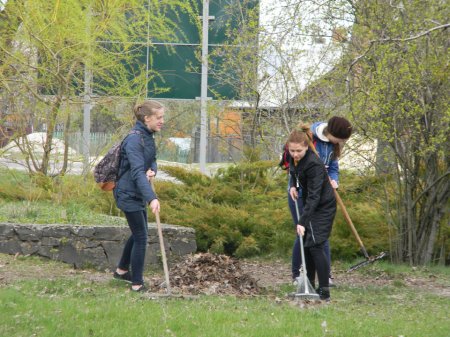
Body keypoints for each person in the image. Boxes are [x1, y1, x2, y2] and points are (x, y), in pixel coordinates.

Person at [281, 116, 353, 285]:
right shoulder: (308, 138)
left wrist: (334, 180)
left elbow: (333, 167)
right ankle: (298, 275)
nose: (342, 143)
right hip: (300, 194)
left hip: (322, 196)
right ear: (332, 133)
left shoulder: (333, 145)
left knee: (321, 235)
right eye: (341, 139)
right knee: (303, 232)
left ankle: (324, 275)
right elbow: (292, 163)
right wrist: (293, 184)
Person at [112, 100, 165, 292]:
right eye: (158, 118)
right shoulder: (134, 139)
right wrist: (152, 198)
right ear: (147, 118)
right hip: (127, 193)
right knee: (141, 237)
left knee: (138, 233)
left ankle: (121, 271)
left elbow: (152, 161)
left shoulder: (148, 135)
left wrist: (152, 169)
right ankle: (137, 284)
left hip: (136, 193)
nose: (162, 121)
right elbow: (135, 172)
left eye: (162, 117)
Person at [287, 127, 337, 301]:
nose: (295, 154)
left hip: (323, 206)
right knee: (307, 246)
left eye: (298, 151)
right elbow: (292, 171)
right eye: (292, 150)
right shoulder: (293, 157)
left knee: (315, 245)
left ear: (307, 147)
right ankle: (308, 287)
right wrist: (293, 185)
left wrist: (302, 221)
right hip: (311, 204)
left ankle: (324, 291)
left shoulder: (314, 164)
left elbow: (315, 196)